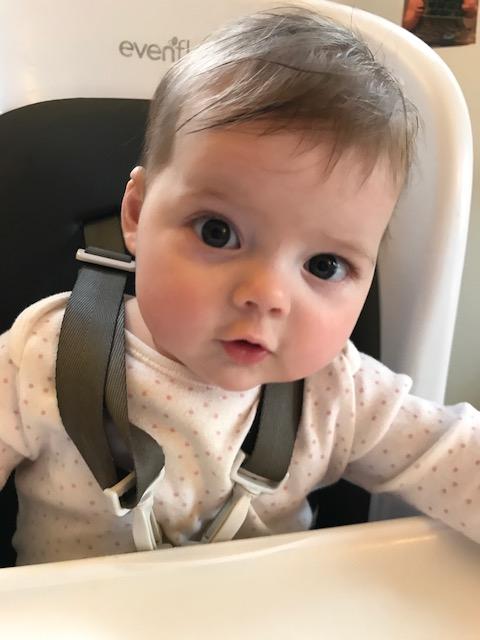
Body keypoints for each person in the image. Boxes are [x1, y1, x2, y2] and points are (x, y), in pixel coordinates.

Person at [1, 5, 479, 566]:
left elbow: (456, 456)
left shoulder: (335, 393)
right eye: (217, 232)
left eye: (324, 265)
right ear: (137, 213)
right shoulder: (43, 358)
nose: (267, 295)